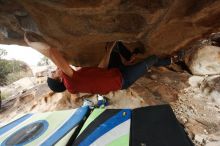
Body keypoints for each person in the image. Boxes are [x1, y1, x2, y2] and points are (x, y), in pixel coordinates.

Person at [24, 32, 180, 95]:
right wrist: (32, 45)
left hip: (113, 71)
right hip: (123, 79)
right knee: (151, 60)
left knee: (115, 45)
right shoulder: (70, 80)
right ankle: (173, 59)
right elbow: (52, 51)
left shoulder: (76, 78)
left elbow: (100, 69)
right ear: (59, 80)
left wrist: (108, 50)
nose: (55, 69)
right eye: (53, 73)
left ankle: (128, 59)